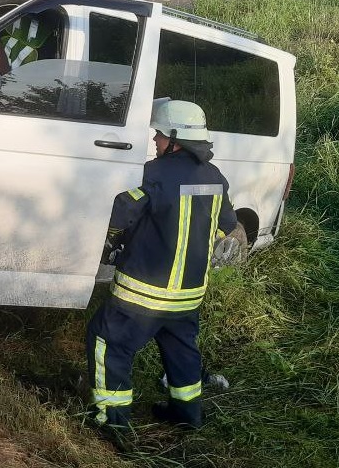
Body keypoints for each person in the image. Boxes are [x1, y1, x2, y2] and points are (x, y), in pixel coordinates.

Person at [86, 99, 246, 437]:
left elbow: (117, 214)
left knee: (107, 341)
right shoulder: (216, 178)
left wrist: (109, 241)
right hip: (188, 296)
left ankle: (112, 423)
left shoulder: (152, 174)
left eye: (159, 135)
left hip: (143, 293)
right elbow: (224, 227)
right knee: (182, 351)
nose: (155, 141)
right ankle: (187, 414)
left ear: (176, 139)